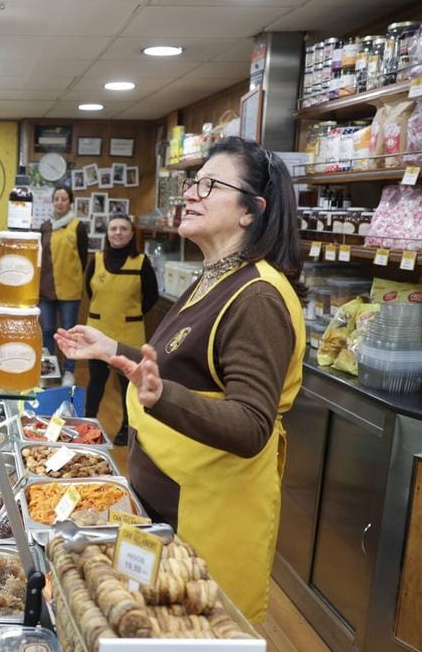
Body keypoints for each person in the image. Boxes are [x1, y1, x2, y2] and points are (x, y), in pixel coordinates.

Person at [56, 137, 305, 624]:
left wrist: (162, 396)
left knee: (193, 638)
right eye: (193, 182)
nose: (190, 193)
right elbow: (172, 363)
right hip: (163, 498)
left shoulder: (258, 297)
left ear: (251, 210)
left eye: (210, 184)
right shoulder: (215, 276)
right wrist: (114, 350)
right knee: (150, 630)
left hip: (207, 517)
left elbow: (251, 425)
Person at [83, 214, 158, 445]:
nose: (118, 232)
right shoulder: (95, 259)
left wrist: (130, 313)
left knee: (128, 384)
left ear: (131, 233)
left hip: (129, 332)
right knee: (96, 379)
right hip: (97, 330)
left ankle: (127, 427)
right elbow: (89, 290)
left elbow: (152, 296)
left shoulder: (142, 262)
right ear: (107, 233)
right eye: (113, 228)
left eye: (123, 229)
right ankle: (87, 423)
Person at [39, 185, 87, 386]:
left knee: (68, 332)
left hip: (70, 290)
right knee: (47, 330)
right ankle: (49, 371)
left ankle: (68, 371)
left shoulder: (78, 226)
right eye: (57, 199)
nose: (60, 202)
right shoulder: (45, 226)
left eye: (64, 199)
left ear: (70, 202)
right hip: (46, 288)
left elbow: (83, 258)